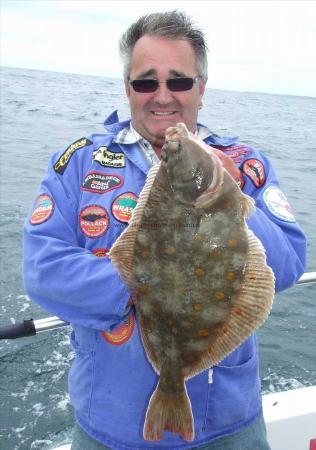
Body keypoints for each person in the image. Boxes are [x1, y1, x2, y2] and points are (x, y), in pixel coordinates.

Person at [23, 10, 306, 450]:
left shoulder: (245, 164)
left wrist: (233, 202)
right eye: (145, 82)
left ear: (201, 88)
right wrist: (147, 277)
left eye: (178, 81)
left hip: (229, 423)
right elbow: (44, 270)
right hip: (110, 428)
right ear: (127, 88)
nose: (162, 96)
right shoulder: (78, 164)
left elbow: (288, 265)